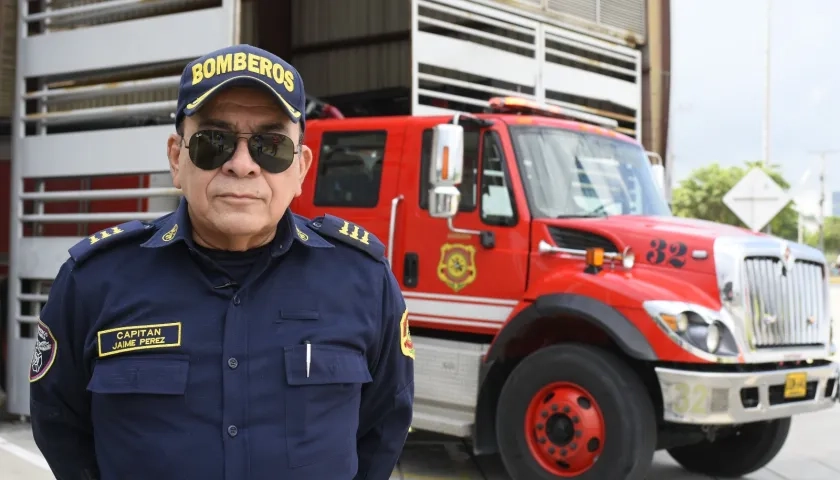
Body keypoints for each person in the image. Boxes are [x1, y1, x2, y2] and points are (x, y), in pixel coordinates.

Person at [29, 44, 415, 480]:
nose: (242, 165)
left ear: (301, 167)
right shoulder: (93, 281)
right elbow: (58, 422)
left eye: (271, 146)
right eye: (215, 143)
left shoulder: (363, 280)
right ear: (177, 158)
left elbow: (383, 426)